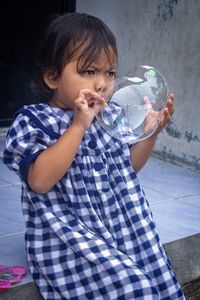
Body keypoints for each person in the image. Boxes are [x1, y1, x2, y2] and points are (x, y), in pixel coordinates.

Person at [1, 12, 185, 299]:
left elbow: (128, 168)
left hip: (120, 226)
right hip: (71, 236)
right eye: (89, 71)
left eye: (109, 72)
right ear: (52, 76)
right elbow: (40, 181)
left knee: (157, 279)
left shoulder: (111, 116)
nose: (102, 83)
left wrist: (151, 134)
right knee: (133, 287)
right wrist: (78, 126)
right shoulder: (35, 121)